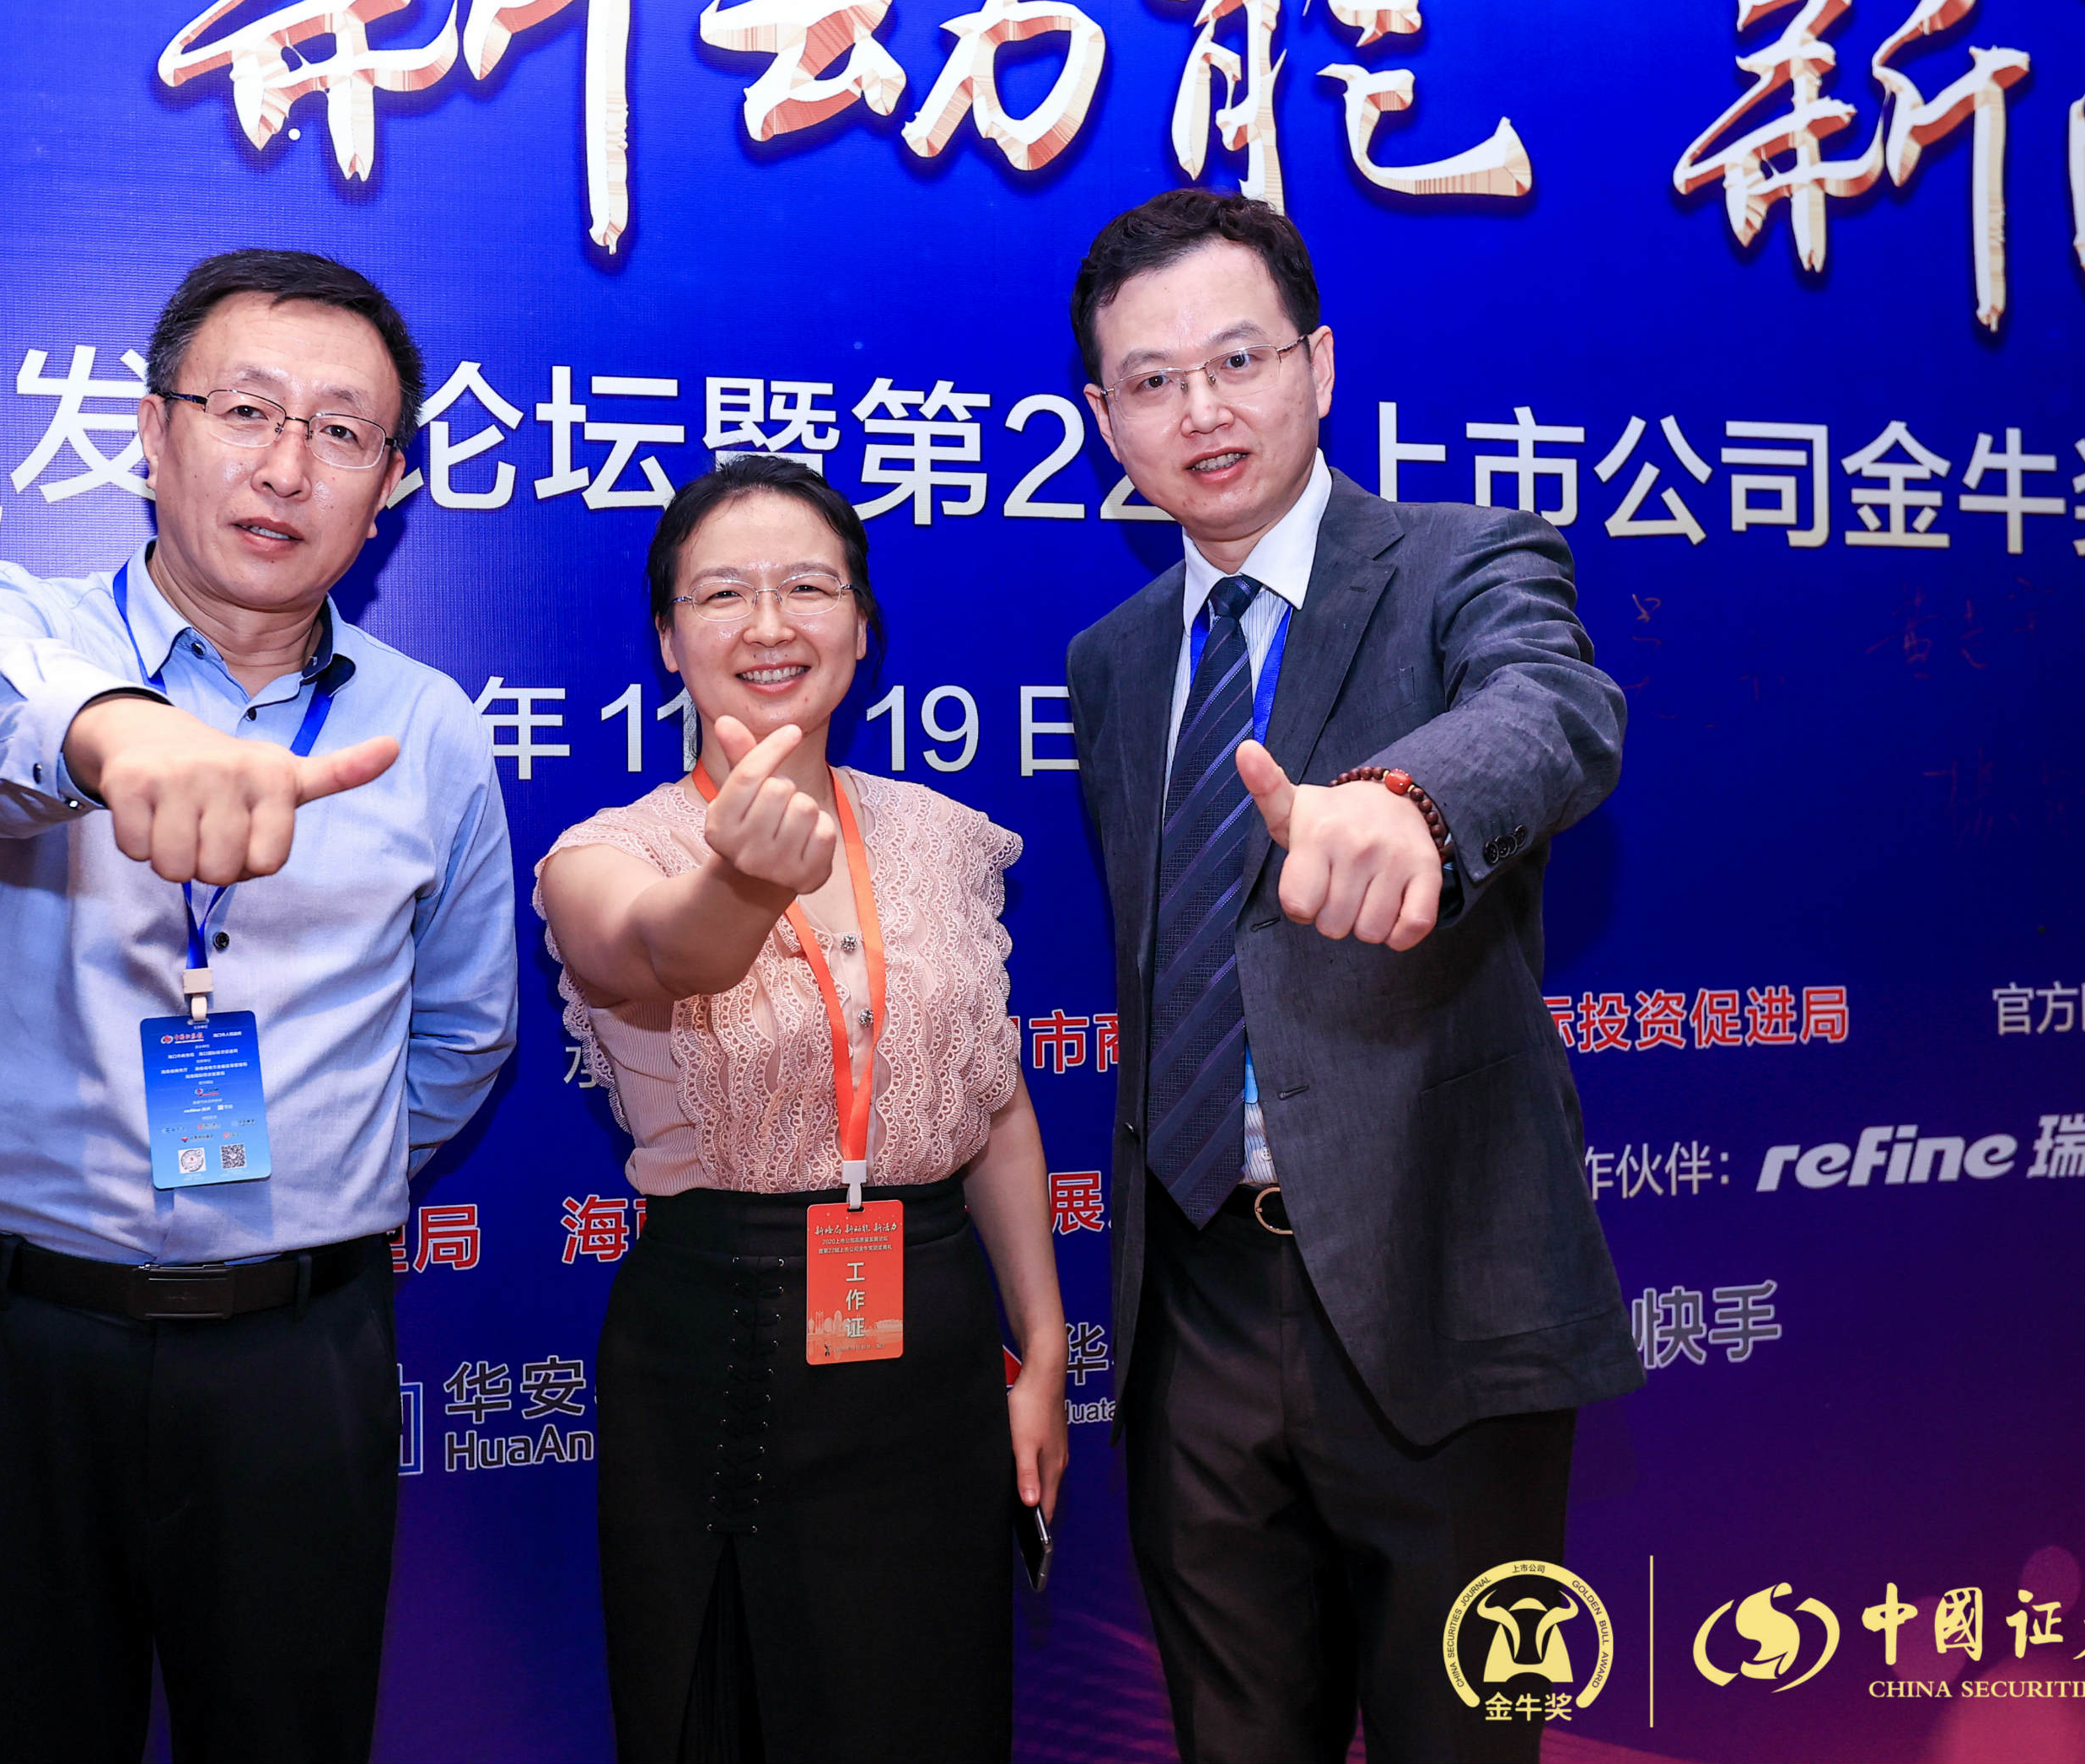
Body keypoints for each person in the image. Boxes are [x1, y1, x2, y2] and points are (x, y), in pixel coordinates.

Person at [0, 249, 517, 1764]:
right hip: (17, 1344)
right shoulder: (17, 625)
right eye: (246, 409)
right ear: (152, 431)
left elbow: (462, 1030)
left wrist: (314, 1185)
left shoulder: (425, 726)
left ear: (391, 484)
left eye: (341, 431)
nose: (287, 466)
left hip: (299, 1361)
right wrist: (116, 739)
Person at [1060, 190, 1640, 1764]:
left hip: (1438, 1286)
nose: (1203, 410)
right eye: (1154, 380)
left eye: (1238, 360)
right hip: (1193, 1305)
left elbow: (1554, 707)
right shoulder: (1113, 660)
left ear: (1319, 365)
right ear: (1107, 420)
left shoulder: (1463, 560)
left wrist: (1414, 803)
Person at [536, 455, 1071, 1764]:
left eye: (809, 588)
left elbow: (992, 1102)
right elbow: (660, 951)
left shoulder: (944, 837)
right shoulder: (609, 852)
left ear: (862, 626)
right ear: (668, 639)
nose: (769, 624)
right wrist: (741, 879)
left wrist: (1046, 1348)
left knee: (928, 1711)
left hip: (934, 1339)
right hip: (719, 1345)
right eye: (722, 593)